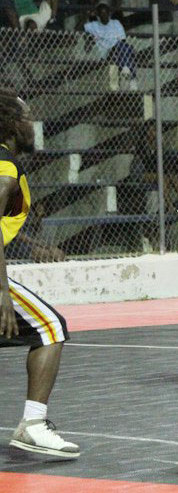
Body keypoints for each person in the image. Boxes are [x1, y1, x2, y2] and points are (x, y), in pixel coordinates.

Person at [0, 90, 79, 458]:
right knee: (50, 327)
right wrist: (2, 291)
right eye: (27, 117)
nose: (33, 124)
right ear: (12, 124)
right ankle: (32, 425)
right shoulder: (5, 167)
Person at [84, 2, 138, 91]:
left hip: (119, 51)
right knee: (128, 49)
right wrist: (87, 15)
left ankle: (127, 69)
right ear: (98, 15)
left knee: (123, 47)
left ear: (109, 14)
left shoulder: (116, 23)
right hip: (106, 53)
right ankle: (131, 77)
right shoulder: (93, 25)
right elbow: (77, 29)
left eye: (106, 14)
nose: (104, 16)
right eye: (101, 14)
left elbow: (123, 40)